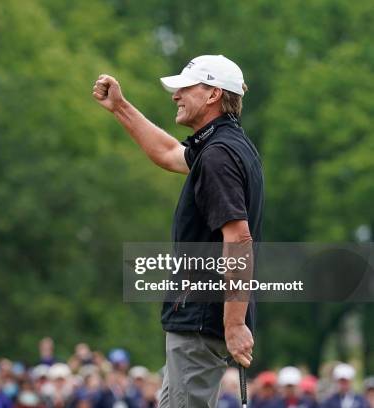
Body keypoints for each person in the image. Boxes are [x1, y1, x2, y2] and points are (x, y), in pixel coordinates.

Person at [92, 54, 264, 408]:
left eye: (185, 88)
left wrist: (234, 325)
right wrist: (120, 107)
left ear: (213, 94)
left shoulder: (218, 156)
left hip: (201, 320)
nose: (176, 95)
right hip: (197, 321)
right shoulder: (223, 146)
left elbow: (239, 240)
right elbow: (169, 152)